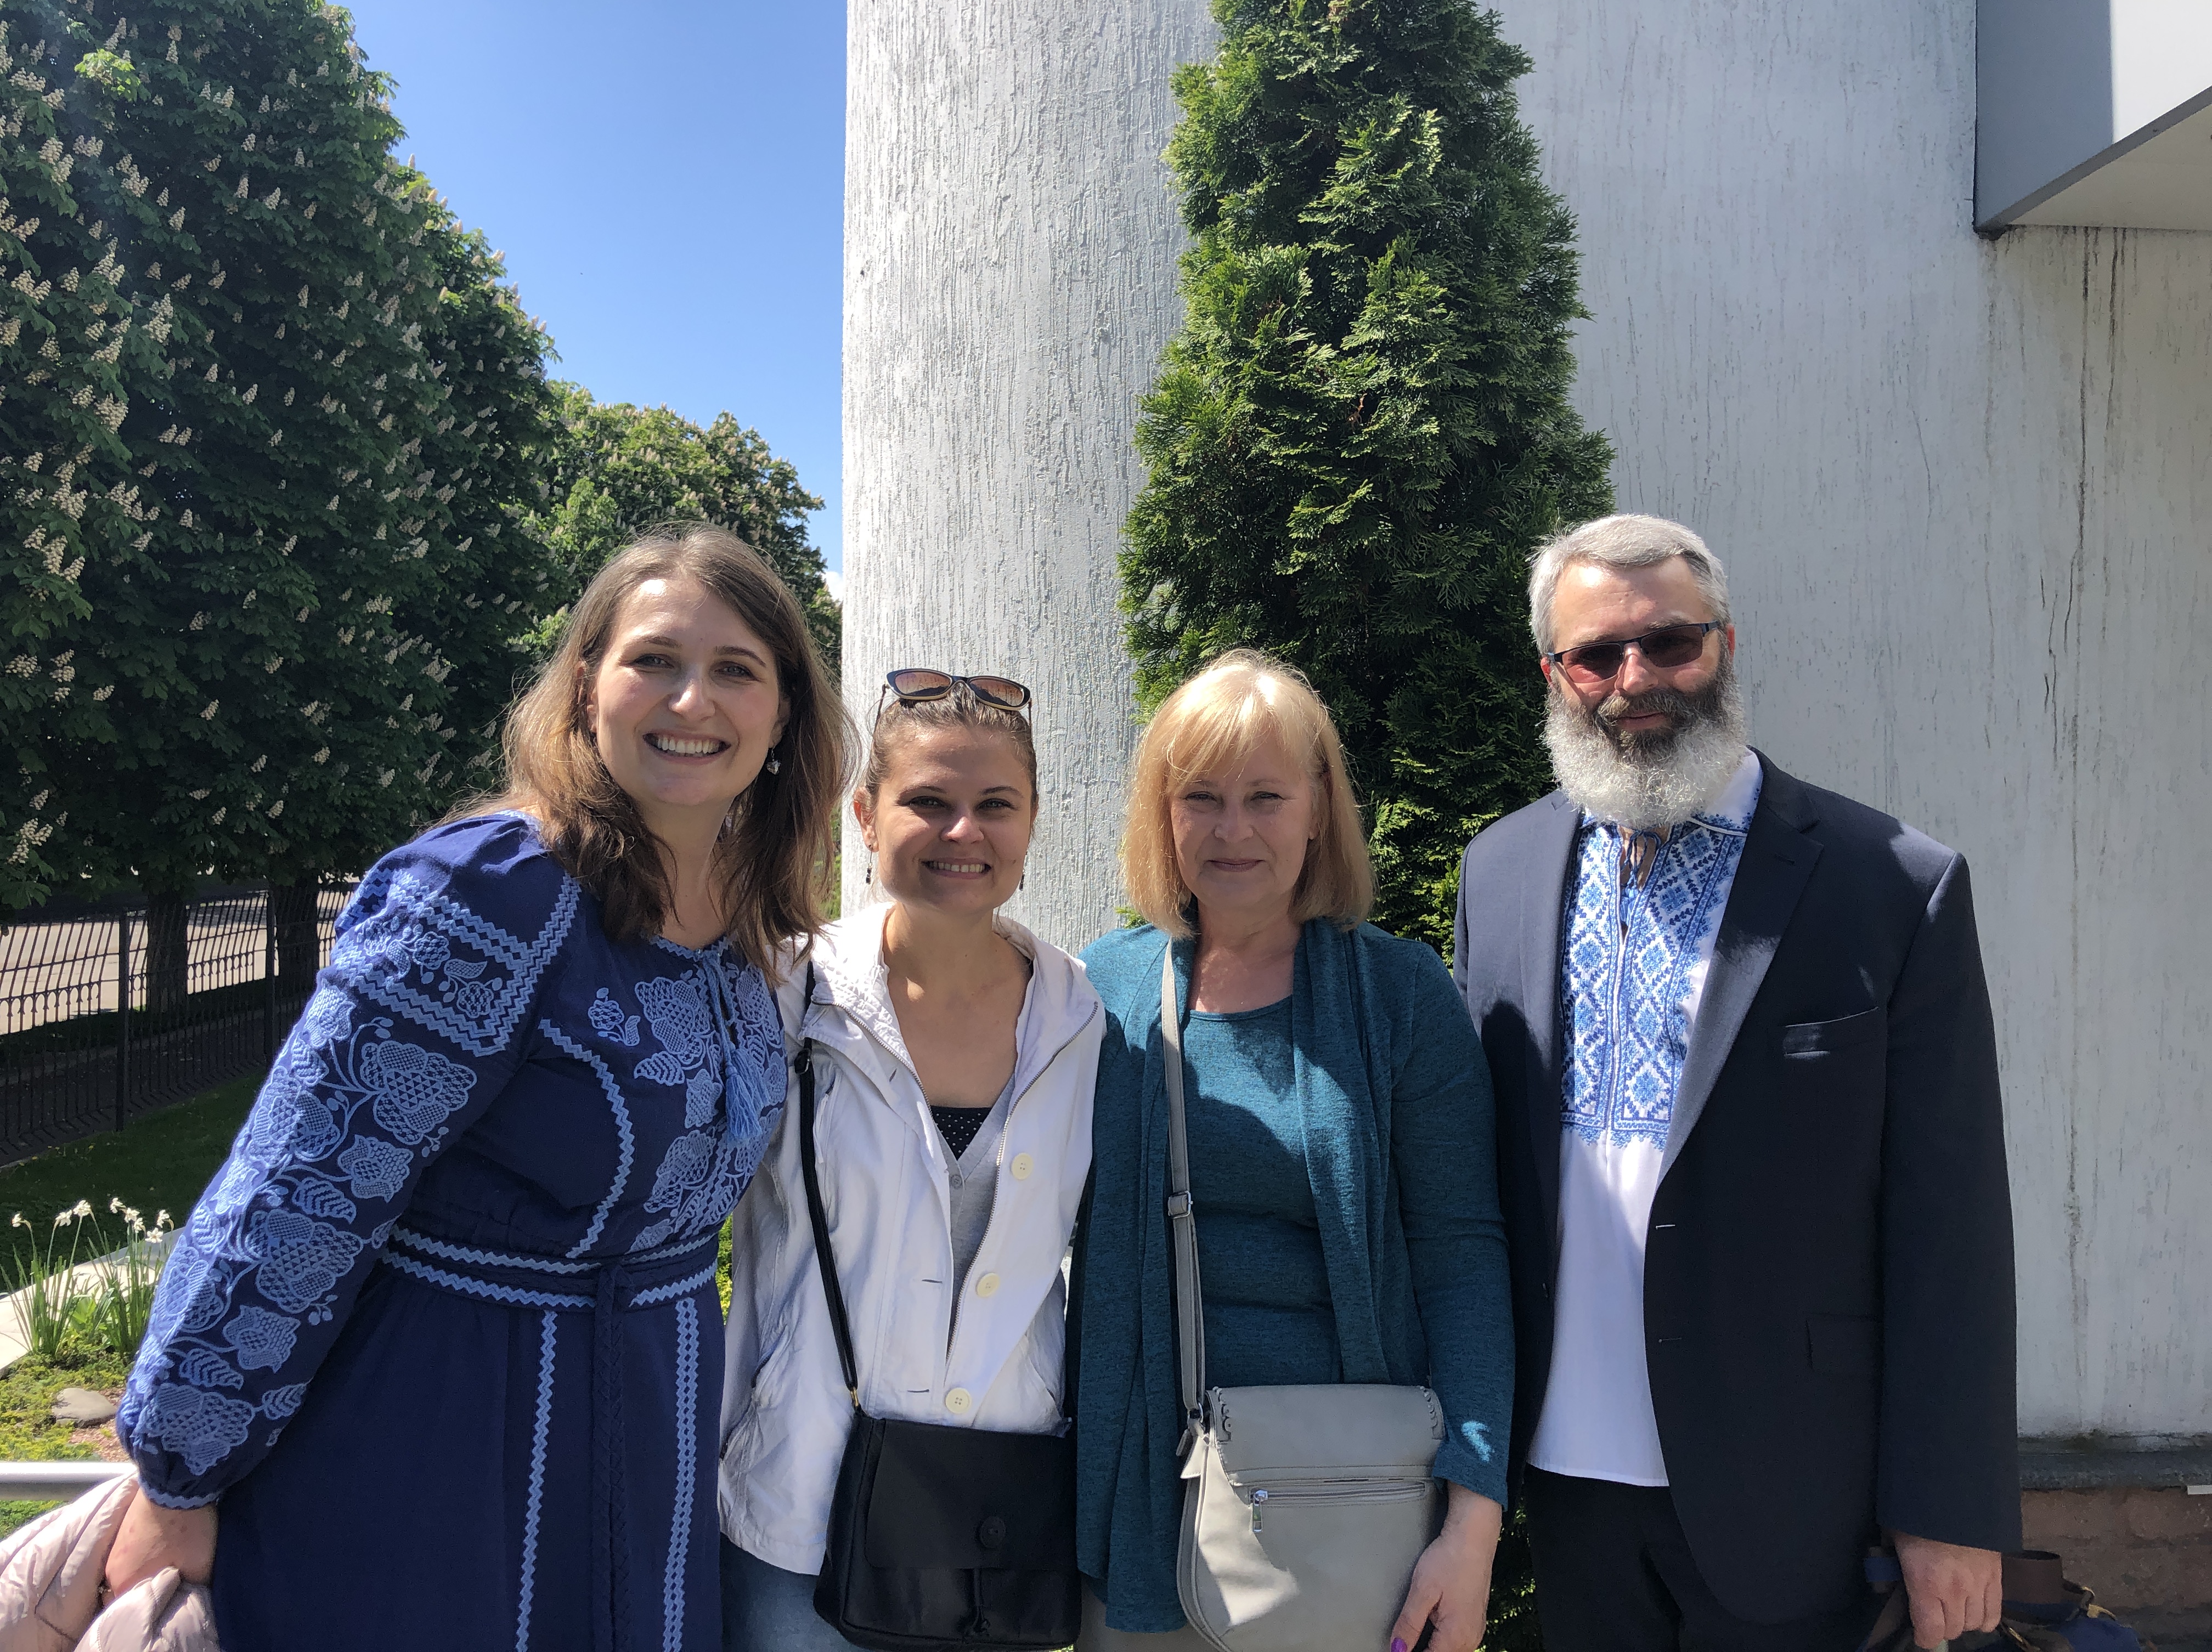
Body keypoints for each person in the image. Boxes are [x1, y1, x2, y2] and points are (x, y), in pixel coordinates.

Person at [105, 525, 850, 1651]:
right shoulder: (492, 893)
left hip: (648, 1440)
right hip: (440, 1437)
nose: (692, 699)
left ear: (784, 714)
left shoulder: (749, 926)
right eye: (654, 659)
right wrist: (180, 1472)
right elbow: (300, 1191)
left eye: (736, 670)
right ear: (588, 684)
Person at [1452, 513, 2018, 1652]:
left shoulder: (1889, 885)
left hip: (1796, 1490)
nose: (1636, 679)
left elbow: (1951, 1224)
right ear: (1554, 675)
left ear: (1725, 643)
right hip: (1567, 1483)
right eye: (1596, 655)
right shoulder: (1499, 872)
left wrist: (1949, 1509)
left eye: (1670, 642)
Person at [1071, 650, 1514, 1652]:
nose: (1233, 830)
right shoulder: (1095, 991)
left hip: (1349, 1509)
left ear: (1318, 811)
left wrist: (1474, 1521)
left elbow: (1462, 1261)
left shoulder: (1401, 997)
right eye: (1203, 797)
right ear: (1163, 814)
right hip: (1145, 1500)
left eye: (1266, 797)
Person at [719, 669, 1104, 1650]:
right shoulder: (786, 994)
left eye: (995, 805)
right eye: (928, 801)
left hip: (995, 1514)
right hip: (802, 1504)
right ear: (865, 815)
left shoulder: (1081, 1019)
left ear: (1032, 822)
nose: (962, 831)